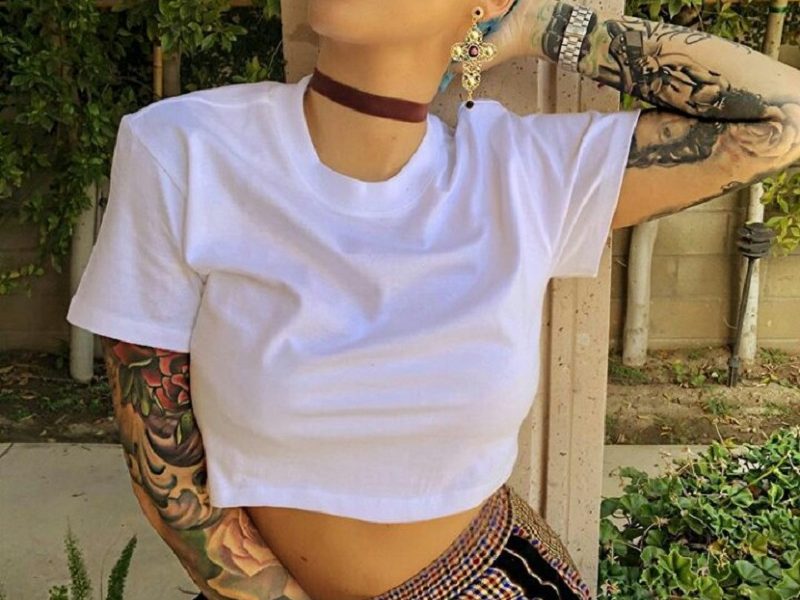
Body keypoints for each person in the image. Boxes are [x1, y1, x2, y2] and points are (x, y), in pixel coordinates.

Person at [65, 0, 800, 598]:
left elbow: (783, 118)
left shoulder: (524, 174)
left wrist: (539, 24)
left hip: (491, 579)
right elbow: (161, 455)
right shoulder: (185, 149)